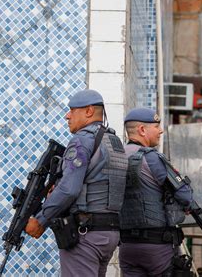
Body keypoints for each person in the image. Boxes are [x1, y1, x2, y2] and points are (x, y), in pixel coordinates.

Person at [25, 89, 128, 277]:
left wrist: (40, 220)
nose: (67, 115)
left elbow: (69, 189)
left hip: (86, 234)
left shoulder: (81, 141)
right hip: (109, 232)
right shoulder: (114, 141)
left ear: (88, 111)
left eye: (72, 110)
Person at [119, 108, 193, 276]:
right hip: (156, 246)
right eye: (156, 126)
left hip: (126, 246)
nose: (160, 131)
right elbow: (185, 196)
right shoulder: (152, 158)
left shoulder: (117, 157)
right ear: (142, 130)